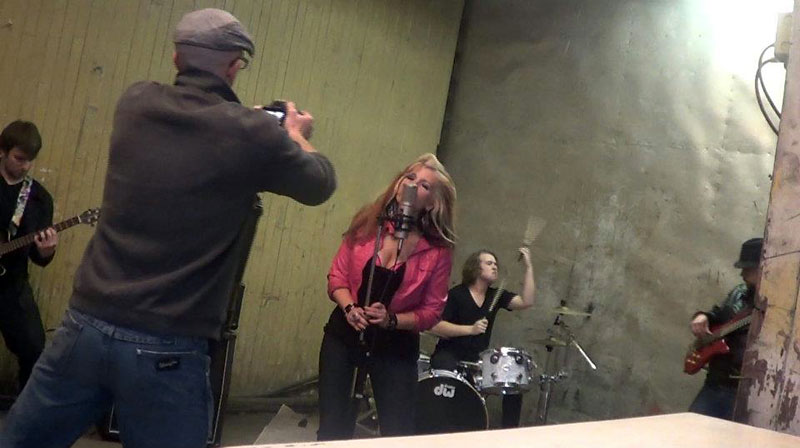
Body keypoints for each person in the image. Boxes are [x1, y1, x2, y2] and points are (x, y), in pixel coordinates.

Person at [0, 8, 336, 448]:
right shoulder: (253, 134)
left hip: (85, 327)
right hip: (168, 346)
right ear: (234, 66)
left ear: (177, 58)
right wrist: (292, 133)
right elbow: (320, 182)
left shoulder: (135, 103)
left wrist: (249, 124)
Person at [317, 153, 456, 440]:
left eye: (424, 185)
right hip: (344, 336)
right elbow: (337, 277)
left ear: (432, 202)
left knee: (397, 431)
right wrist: (349, 308)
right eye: (410, 177)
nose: (412, 185)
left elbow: (431, 312)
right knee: (332, 428)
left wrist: (391, 320)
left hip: (395, 347)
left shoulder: (438, 251)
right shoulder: (368, 224)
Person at [428, 248, 536, 428]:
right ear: (476, 268)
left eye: (495, 264)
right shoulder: (457, 294)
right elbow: (435, 326)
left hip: (477, 361)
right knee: (446, 372)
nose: (495, 267)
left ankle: (508, 433)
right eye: (489, 263)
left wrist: (529, 267)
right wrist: (470, 329)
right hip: (450, 355)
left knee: (514, 384)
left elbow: (527, 301)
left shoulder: (495, 295)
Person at [0, 120, 58, 391]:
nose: (25, 166)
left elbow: (39, 256)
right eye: (19, 158)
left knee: (34, 347)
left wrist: (47, 251)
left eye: (30, 160)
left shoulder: (38, 199)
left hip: (11, 283)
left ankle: (23, 409)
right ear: (3, 151)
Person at [688, 237, 762, 420]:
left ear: (762, 269)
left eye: (747, 268)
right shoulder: (738, 293)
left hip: (742, 392)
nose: (742, 274)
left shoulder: (779, 308)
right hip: (714, 383)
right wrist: (704, 316)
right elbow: (719, 315)